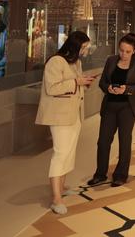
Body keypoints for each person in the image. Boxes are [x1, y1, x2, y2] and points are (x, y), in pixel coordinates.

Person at [35, 31, 94, 215]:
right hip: (59, 115)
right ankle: (56, 198)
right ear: (75, 46)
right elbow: (52, 88)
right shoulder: (55, 61)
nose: (86, 51)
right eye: (84, 47)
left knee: (69, 152)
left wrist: (84, 83)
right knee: (60, 153)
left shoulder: (76, 63)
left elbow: (75, 86)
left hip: (74, 114)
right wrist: (77, 81)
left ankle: (61, 188)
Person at [88, 33, 135, 188]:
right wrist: (108, 87)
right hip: (110, 106)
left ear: (134, 50)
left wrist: (126, 89)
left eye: (127, 51)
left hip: (128, 107)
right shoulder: (111, 60)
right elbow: (102, 82)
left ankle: (120, 175)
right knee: (103, 141)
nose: (123, 54)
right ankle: (100, 174)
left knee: (124, 141)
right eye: (121, 50)